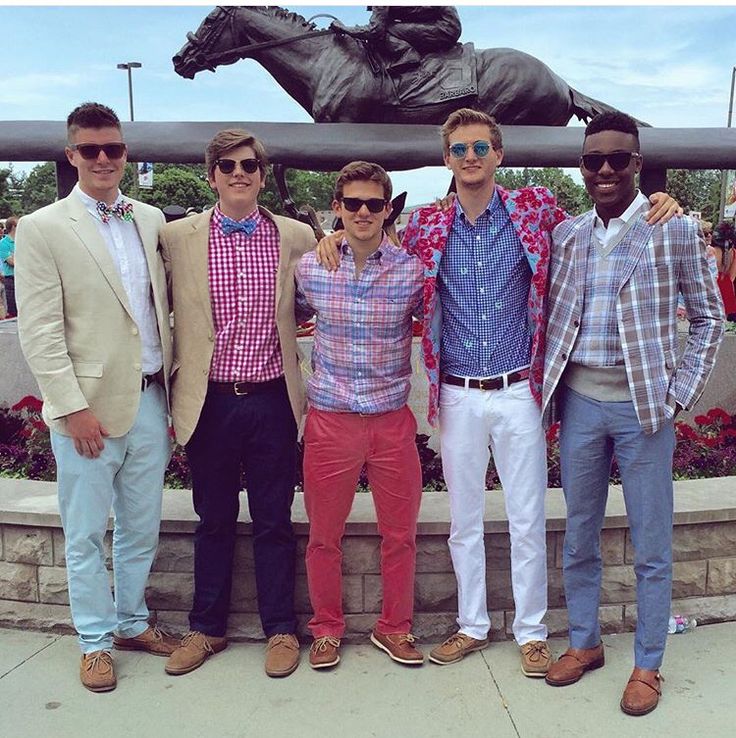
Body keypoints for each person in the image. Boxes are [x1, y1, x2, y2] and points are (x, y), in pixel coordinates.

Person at [317, 108, 679, 678]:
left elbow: (605, 221)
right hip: (458, 395)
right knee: (464, 520)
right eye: (459, 149)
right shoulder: (429, 227)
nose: (470, 158)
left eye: (480, 147)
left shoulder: (535, 210)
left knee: (526, 517)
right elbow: (375, 240)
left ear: (498, 154)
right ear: (446, 159)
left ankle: (531, 632)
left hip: (518, 392)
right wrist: (337, 235)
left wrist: (664, 202)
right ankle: (472, 625)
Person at [542, 112, 724, 715]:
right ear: (582, 166)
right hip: (581, 406)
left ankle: (648, 664)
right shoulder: (568, 235)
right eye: (594, 160)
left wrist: (678, 396)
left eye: (618, 159)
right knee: (579, 537)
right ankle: (586, 643)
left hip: (646, 409)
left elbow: (706, 319)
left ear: (637, 165)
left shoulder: (671, 229)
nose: (605, 170)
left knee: (651, 544)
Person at [14, 102, 177, 693]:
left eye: (113, 148)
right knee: (85, 532)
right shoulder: (43, 227)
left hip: (151, 401)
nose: (103, 158)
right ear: (72, 155)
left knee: (142, 526)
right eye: (90, 150)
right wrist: (70, 406)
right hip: (85, 410)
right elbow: (40, 329)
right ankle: (94, 640)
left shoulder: (150, 218)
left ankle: (132, 622)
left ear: (125, 153)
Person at [160, 129, 315, 678]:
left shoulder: (296, 235)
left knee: (275, 519)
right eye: (227, 165)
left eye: (249, 164)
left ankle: (280, 629)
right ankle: (206, 628)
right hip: (210, 401)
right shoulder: (177, 237)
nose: (239, 173)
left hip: (274, 398)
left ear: (262, 173)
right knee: (213, 519)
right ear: (212, 175)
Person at [296, 162, 424, 670]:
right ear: (338, 208)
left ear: (388, 209)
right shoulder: (311, 268)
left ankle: (394, 628)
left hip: (391, 419)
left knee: (401, 534)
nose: (363, 212)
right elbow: (289, 318)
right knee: (324, 536)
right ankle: (326, 627)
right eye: (353, 203)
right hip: (331, 419)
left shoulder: (412, 271)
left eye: (374, 203)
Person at [331, 6, 461, 74]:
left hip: (445, 26)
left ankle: (407, 54)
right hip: (443, 22)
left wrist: (344, 29)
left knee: (385, 31)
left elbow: (375, 30)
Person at [0, 215, 18, 316]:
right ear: (14, 226)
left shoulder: (22, 241)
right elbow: (12, 262)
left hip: (23, 277)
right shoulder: (3, 243)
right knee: (13, 310)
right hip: (11, 278)